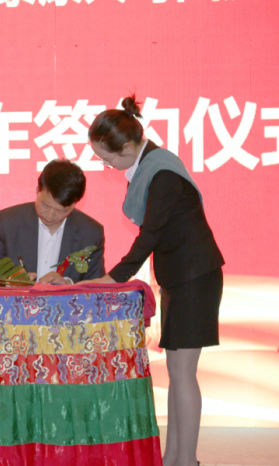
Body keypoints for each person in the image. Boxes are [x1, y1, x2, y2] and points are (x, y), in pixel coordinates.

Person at [84, 95, 224, 466]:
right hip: (180, 277)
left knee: (184, 373)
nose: (106, 165)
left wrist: (114, 277)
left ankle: (186, 460)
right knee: (177, 373)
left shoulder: (162, 172)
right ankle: (174, 458)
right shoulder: (151, 165)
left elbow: (151, 235)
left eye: (107, 158)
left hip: (196, 277)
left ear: (129, 148)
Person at [0, 159, 105, 284]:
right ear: (37, 190)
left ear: (75, 204)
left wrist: (68, 284)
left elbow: (97, 287)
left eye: (61, 211)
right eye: (45, 205)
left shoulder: (91, 233)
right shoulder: (7, 222)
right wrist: (9, 283)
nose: (50, 216)